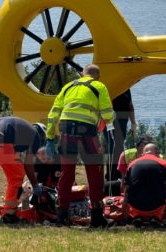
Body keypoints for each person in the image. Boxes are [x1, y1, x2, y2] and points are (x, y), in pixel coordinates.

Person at [45, 64, 115, 228]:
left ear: (82, 74)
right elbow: (106, 114)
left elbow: (53, 113)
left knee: (66, 173)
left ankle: (61, 217)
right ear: (97, 76)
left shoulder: (68, 86)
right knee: (95, 172)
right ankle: (97, 217)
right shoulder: (99, 86)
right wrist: (112, 116)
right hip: (87, 134)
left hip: (66, 131)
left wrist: (49, 138)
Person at [0, 116, 45, 223]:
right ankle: (9, 214)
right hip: (0, 138)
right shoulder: (36, 136)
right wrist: (34, 184)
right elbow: (28, 164)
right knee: (17, 175)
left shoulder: (24, 130)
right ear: (42, 137)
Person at [122, 144, 166, 228]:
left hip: (135, 205)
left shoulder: (131, 165)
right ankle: (156, 217)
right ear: (158, 153)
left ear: (142, 153)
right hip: (156, 206)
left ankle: (138, 216)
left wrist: (125, 220)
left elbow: (125, 193)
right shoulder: (165, 164)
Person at [103, 89, 137, 181]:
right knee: (112, 146)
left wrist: (133, 123)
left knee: (119, 146)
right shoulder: (109, 87)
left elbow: (130, 105)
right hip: (109, 121)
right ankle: (111, 175)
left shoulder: (126, 88)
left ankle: (118, 173)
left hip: (122, 121)